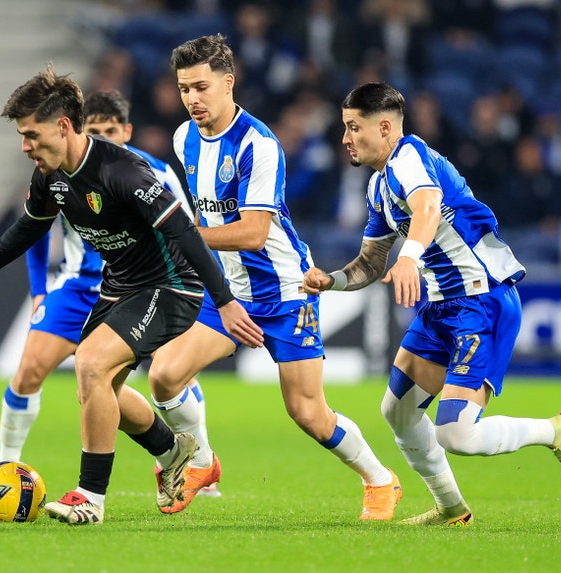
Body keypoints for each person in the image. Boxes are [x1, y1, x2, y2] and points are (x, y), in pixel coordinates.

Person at [0, 64, 263, 526]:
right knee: (99, 387)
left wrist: (226, 300)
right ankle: (175, 453)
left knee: (91, 362)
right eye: (22, 136)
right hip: (120, 287)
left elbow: (185, 233)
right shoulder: (51, 175)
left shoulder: (123, 171)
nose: (25, 146)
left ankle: (90, 497)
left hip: (171, 286)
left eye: (31, 135)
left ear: (63, 126)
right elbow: (28, 229)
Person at [302, 81, 561, 526]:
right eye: (344, 127)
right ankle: (451, 509)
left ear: (384, 127)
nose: (345, 138)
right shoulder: (379, 186)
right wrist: (332, 280)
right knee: (396, 411)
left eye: (353, 127)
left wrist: (411, 258)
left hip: (482, 299)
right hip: (440, 309)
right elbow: (372, 262)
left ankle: (556, 430)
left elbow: (429, 205)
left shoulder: (410, 157)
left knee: (456, 432)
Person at [145, 34, 402, 519]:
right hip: (229, 292)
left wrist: (178, 234)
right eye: (183, 89)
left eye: (201, 87)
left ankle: (380, 479)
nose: (192, 99)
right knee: (164, 375)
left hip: (286, 291)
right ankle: (201, 462)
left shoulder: (258, 144)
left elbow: (254, 233)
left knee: (307, 413)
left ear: (228, 82)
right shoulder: (184, 138)